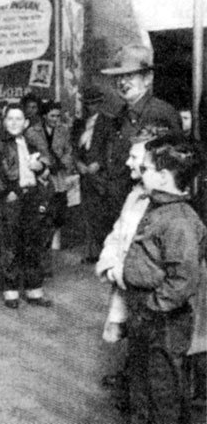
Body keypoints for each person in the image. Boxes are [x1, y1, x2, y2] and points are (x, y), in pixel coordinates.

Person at [123, 134, 206, 424]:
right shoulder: (156, 206)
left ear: (162, 177)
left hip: (165, 319)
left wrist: (152, 307)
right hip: (147, 313)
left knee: (164, 390)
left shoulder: (180, 220)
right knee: (144, 382)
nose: (138, 172)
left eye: (144, 169)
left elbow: (183, 280)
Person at [95, 127, 163, 400]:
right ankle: (132, 382)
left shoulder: (160, 206)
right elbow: (117, 232)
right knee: (136, 337)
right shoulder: (135, 194)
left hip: (146, 288)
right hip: (126, 280)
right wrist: (110, 265)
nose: (127, 162)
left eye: (134, 157)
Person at [101, 44, 182, 221]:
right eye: (118, 77)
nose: (122, 82)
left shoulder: (161, 113)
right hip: (121, 206)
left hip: (149, 209)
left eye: (129, 75)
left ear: (148, 78)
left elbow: (171, 167)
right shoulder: (120, 116)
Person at [0, 103, 53, 309]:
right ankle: (11, 290)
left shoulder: (30, 142)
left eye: (19, 119)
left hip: (31, 197)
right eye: (10, 119)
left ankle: (34, 289)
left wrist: (40, 166)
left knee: (32, 243)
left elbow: (44, 164)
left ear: (26, 122)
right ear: (4, 121)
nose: (14, 123)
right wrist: (7, 191)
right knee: (10, 245)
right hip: (11, 198)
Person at [72, 86, 116, 263]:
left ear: (100, 103)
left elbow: (112, 148)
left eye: (94, 104)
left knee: (104, 214)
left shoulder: (109, 122)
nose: (91, 107)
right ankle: (92, 252)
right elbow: (73, 148)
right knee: (88, 214)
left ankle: (106, 252)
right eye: (88, 104)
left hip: (101, 176)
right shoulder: (78, 124)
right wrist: (78, 164)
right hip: (84, 175)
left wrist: (100, 164)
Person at [26, 100, 74, 258]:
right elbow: (31, 155)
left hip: (59, 179)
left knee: (58, 216)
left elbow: (69, 151)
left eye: (58, 116)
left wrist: (62, 164)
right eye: (52, 115)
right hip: (43, 180)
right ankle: (43, 254)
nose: (56, 119)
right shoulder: (32, 132)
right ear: (44, 116)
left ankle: (47, 250)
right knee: (43, 217)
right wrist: (44, 166)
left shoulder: (64, 131)